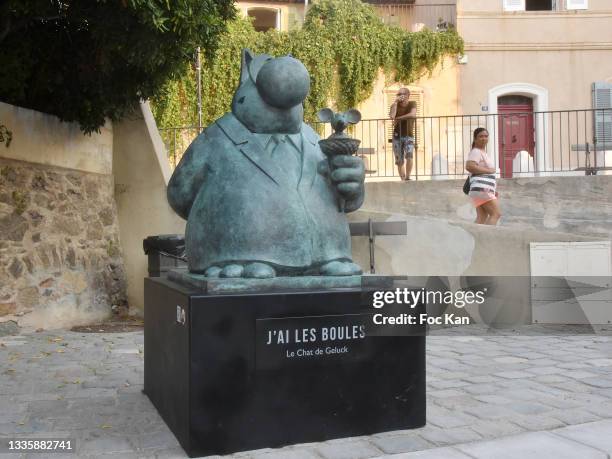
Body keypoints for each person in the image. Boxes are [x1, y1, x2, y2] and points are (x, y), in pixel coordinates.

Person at [465, 127, 502, 225]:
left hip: (480, 189)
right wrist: (490, 170)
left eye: (486, 136)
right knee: (496, 214)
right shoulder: (476, 151)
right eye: (481, 136)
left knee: (482, 217)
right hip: (482, 189)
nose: (484, 138)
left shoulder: (482, 152)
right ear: (475, 139)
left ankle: (474, 238)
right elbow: (469, 166)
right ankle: (488, 239)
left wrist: (494, 190)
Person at [389, 88, 417, 180]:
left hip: (408, 136)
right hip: (397, 136)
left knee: (409, 155)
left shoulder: (412, 103)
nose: (400, 95)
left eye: (402, 93)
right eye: (399, 94)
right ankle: (403, 179)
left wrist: (399, 118)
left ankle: (408, 177)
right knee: (399, 160)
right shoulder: (394, 105)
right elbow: (392, 116)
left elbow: (412, 114)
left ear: (408, 95)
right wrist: (395, 103)